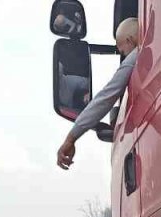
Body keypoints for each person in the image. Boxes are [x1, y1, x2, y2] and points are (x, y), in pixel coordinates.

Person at [56, 18, 141, 170]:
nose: (125, 57)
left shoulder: (137, 55)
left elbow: (106, 97)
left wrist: (71, 138)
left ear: (130, 40)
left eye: (123, 52)